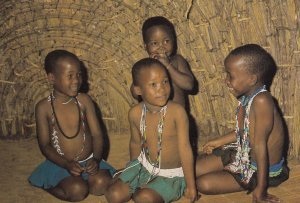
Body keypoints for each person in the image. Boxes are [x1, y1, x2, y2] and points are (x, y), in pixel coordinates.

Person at [195, 44, 289, 202]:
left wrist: (260, 189)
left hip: (259, 169)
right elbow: (246, 131)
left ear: (252, 79)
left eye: (230, 76)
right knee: (194, 168)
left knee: (203, 184)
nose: (226, 81)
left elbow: (260, 146)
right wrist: (218, 141)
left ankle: (255, 183)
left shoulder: (261, 100)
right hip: (243, 154)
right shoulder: (249, 97)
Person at [105, 58, 197, 203]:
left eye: (165, 82)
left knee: (143, 198)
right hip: (144, 166)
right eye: (153, 84)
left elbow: (185, 149)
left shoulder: (177, 112)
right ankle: (138, 183)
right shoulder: (135, 113)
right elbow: (135, 143)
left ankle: (150, 190)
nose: (161, 88)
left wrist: (191, 187)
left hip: (171, 175)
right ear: (138, 90)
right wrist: (132, 171)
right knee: (114, 195)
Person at [28, 50, 116, 202]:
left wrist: (95, 158)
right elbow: (45, 145)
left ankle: (87, 177)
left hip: (88, 161)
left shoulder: (84, 101)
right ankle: (48, 185)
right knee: (77, 191)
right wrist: (66, 164)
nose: (76, 80)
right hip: (61, 164)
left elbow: (97, 135)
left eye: (79, 74)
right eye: (70, 76)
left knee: (102, 184)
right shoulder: (43, 107)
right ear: (52, 78)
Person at [131, 16, 195, 108]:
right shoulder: (144, 67)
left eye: (166, 41)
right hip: (154, 119)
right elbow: (135, 93)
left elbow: (189, 85)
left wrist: (168, 66)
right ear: (146, 46)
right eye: (155, 43)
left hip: (177, 119)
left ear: (173, 41)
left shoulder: (177, 61)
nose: (161, 47)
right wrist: (148, 69)